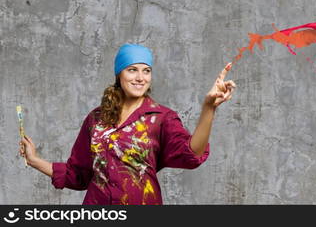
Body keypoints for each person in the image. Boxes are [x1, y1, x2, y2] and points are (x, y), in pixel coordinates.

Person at [19, 43, 236, 205]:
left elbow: (192, 154)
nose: (140, 77)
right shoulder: (96, 119)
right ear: (119, 74)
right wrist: (34, 160)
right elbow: (78, 175)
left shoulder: (161, 118)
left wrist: (209, 108)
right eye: (132, 69)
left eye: (146, 70)